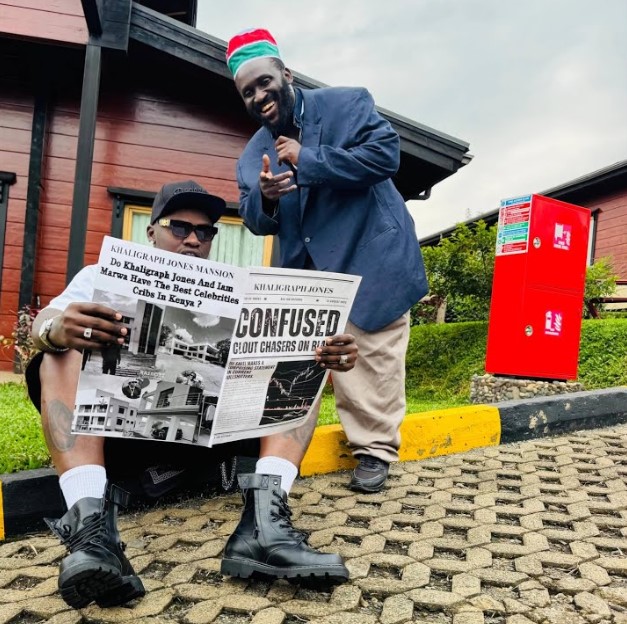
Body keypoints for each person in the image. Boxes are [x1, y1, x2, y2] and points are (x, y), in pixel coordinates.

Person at [27, 180, 358, 610]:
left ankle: (265, 526)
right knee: (59, 351)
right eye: (179, 227)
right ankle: (92, 535)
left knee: (301, 360)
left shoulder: (242, 289)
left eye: (205, 231)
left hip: (216, 434)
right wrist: (56, 328)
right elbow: (44, 322)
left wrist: (329, 354)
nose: (193, 239)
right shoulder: (98, 277)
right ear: (152, 231)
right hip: (120, 437)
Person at [226, 29, 428, 494]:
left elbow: (385, 156)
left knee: (370, 357)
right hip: (306, 275)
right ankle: (279, 460)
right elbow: (254, 219)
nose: (259, 96)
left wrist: (310, 159)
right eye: (248, 92)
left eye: (264, 82)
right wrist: (266, 197)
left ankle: (374, 450)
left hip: (368, 256)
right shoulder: (251, 155)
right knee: (299, 368)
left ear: (286, 74)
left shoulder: (346, 104)